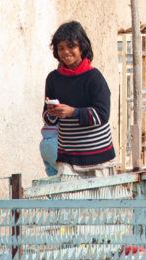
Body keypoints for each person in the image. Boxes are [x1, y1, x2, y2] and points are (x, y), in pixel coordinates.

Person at [43, 21, 116, 176]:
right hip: (67, 159)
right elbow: (48, 120)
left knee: (101, 201)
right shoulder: (53, 79)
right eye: (61, 48)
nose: (66, 52)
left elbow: (102, 115)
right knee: (69, 200)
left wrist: (73, 112)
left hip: (99, 159)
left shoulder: (94, 77)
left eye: (71, 47)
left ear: (81, 47)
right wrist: (52, 112)